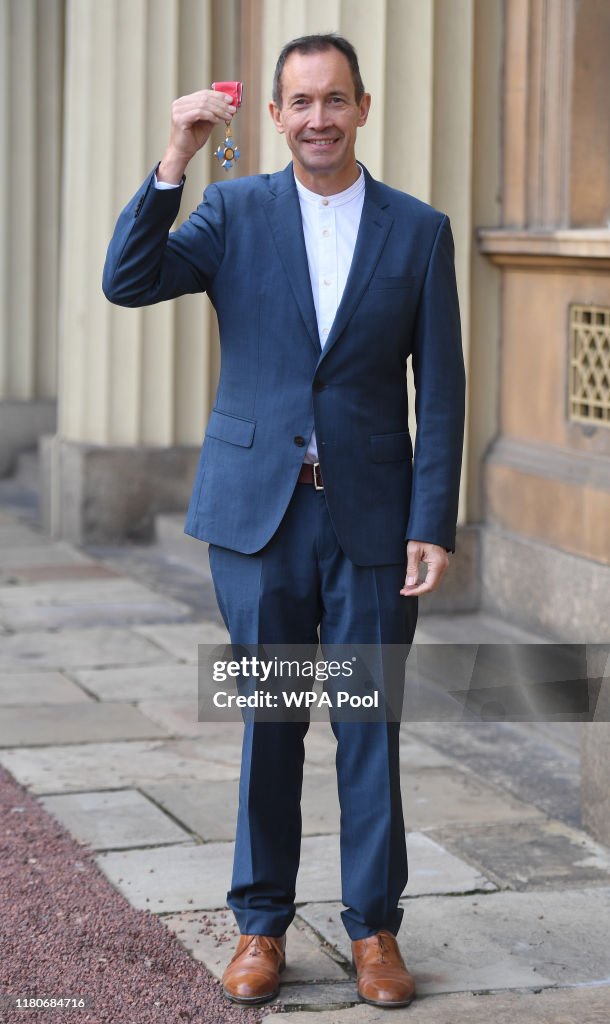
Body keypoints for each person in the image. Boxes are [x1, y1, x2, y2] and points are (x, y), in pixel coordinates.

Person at [103, 33, 465, 1010]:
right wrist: (177, 152)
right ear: (273, 115)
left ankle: (373, 929)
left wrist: (432, 520)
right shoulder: (234, 209)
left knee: (366, 723)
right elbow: (127, 279)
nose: (317, 118)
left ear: (362, 107)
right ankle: (259, 926)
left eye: (334, 100)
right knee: (270, 720)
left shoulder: (418, 230)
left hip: (372, 524)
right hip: (258, 523)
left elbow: (443, 385)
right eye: (299, 102)